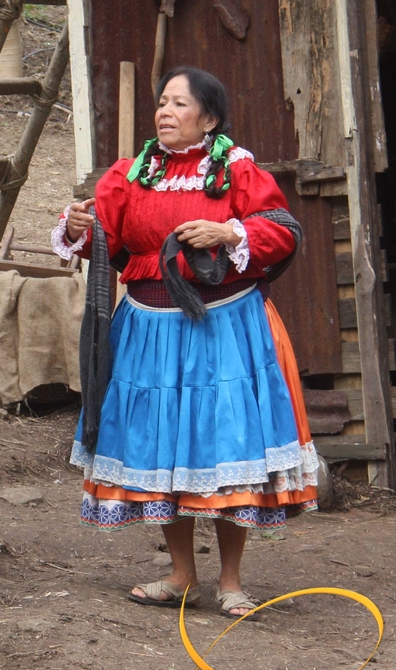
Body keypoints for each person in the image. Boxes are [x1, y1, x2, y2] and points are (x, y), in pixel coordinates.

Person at [54, 66, 318, 619]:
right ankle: (180, 575)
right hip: (148, 329)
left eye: (179, 104)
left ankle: (231, 583)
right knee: (161, 450)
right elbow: (109, 237)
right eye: (162, 103)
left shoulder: (237, 169)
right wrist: (81, 225)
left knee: (223, 449)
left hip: (223, 326)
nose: (165, 112)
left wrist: (229, 232)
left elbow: (280, 228)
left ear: (210, 117)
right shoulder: (132, 174)